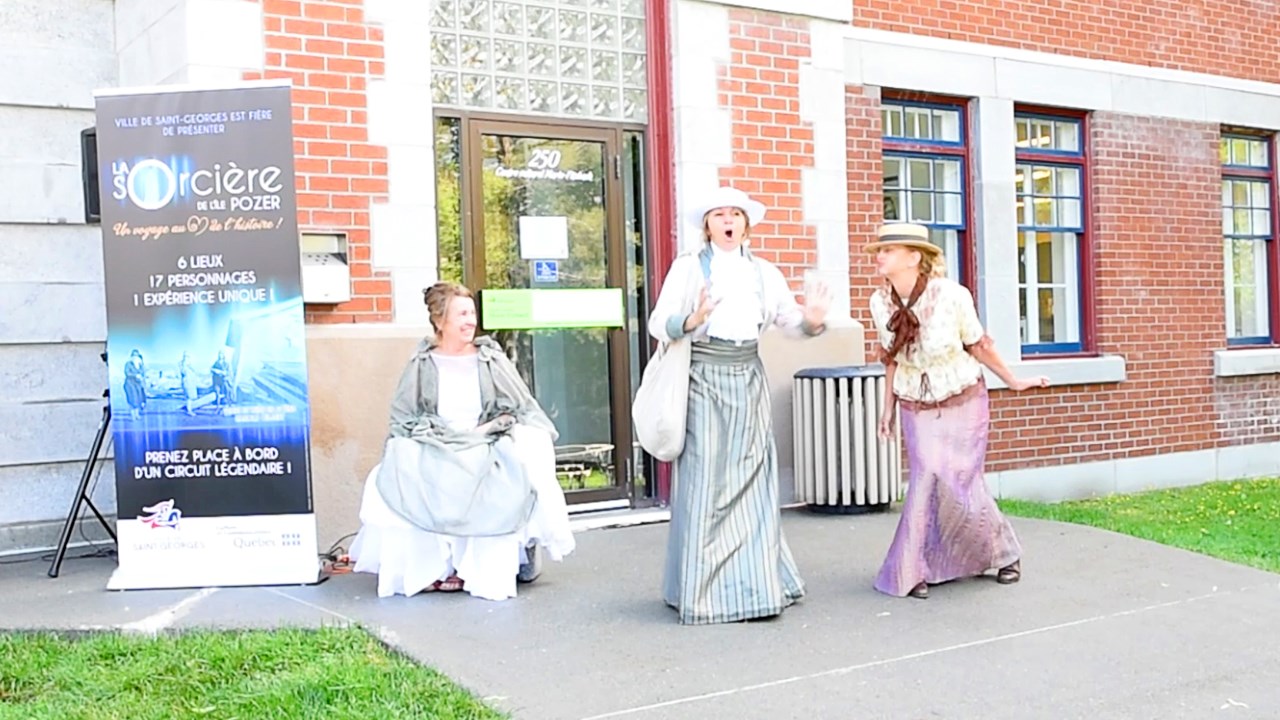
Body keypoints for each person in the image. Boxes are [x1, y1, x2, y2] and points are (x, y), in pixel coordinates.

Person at [648, 185, 831, 625]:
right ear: (707, 225)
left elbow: (790, 321)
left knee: (752, 481)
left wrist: (814, 321)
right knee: (707, 483)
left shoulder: (765, 272)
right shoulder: (687, 269)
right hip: (703, 379)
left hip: (748, 376)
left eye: (735, 214)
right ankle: (702, 592)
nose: (728, 222)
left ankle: (756, 585)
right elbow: (659, 322)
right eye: (719, 215)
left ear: (746, 224)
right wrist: (690, 320)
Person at [349, 281, 575, 601]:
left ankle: (474, 566)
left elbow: (521, 407)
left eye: (472, 313)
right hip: (437, 438)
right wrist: (415, 439)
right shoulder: (423, 361)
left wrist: (495, 428)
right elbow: (402, 415)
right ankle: (433, 569)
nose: (470, 321)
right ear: (440, 321)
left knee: (486, 472)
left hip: (483, 438)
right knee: (401, 469)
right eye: (461, 314)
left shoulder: (489, 359)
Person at [866, 222, 1049, 600]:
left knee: (960, 481)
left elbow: (978, 346)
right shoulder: (878, 302)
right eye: (879, 251)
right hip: (915, 402)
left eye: (889, 250)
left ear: (914, 257)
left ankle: (1003, 553)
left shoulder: (952, 296)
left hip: (963, 397)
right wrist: (886, 410)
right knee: (926, 476)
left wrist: (1013, 381)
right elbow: (891, 360)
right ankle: (913, 568)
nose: (879, 256)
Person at [123, 349, 146, 420]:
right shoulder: (128, 364)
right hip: (130, 384)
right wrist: (135, 375)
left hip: (138, 384)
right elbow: (127, 373)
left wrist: (141, 377)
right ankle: (133, 415)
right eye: (134, 356)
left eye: (137, 356)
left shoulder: (140, 364)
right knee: (133, 399)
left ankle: (137, 414)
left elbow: (143, 372)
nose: (135, 358)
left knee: (139, 399)